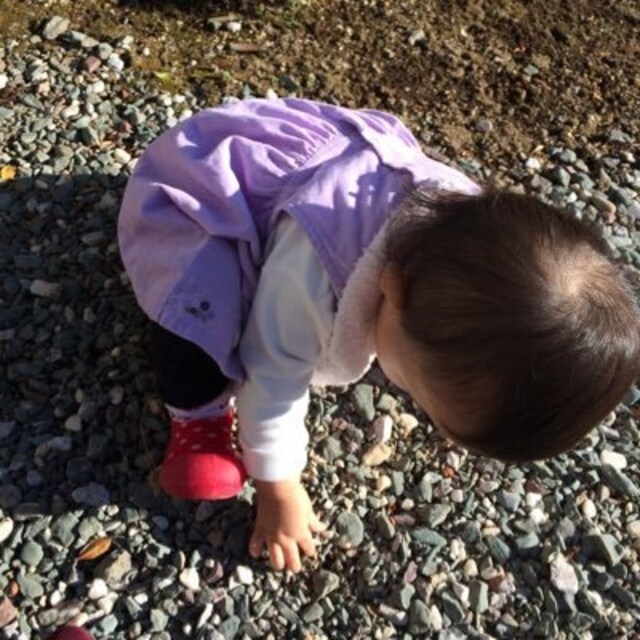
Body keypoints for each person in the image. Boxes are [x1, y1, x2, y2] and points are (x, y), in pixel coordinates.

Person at [118, 98, 640, 572]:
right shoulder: (314, 273)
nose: (404, 393)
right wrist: (279, 490)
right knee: (198, 311)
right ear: (392, 288)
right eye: (412, 388)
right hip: (202, 190)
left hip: (316, 166)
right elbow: (271, 370)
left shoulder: (475, 235)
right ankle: (199, 417)